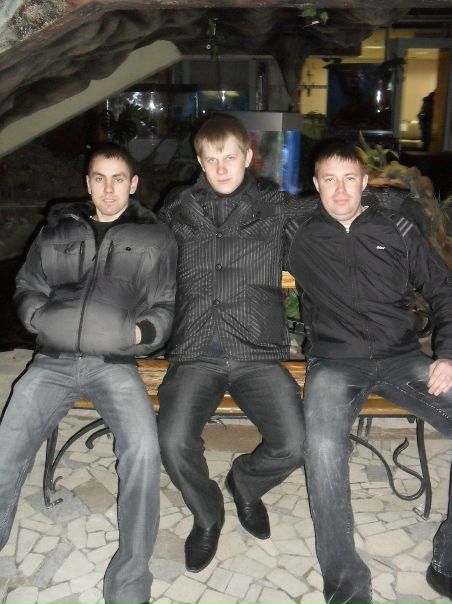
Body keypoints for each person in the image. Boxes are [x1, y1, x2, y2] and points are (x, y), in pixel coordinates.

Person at [0, 143, 177, 604]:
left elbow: (164, 303)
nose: (109, 189)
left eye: (118, 179)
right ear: (88, 183)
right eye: (99, 178)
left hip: (113, 365)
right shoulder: (58, 228)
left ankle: (129, 584)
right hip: (52, 362)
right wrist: (36, 317)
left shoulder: (156, 237)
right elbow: (28, 283)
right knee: (6, 446)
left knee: (143, 450)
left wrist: (142, 333)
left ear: (133, 184)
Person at [287, 138, 452, 604]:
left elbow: (443, 290)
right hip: (334, 363)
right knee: (321, 447)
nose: (340, 191)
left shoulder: (398, 226)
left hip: (401, 358)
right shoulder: (297, 232)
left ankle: (448, 559)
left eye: (349, 179)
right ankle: (345, 584)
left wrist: (447, 353)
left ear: (364, 182)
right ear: (316, 185)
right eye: (329, 180)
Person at [157, 114, 314, 573]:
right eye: (212, 159)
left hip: (255, 351)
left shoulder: (274, 207)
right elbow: (143, 246)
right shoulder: (178, 207)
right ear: (200, 162)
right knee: (172, 441)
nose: (222, 168)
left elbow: (331, 219)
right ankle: (208, 515)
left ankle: (244, 484)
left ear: (248, 157)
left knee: (295, 443)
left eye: (230, 157)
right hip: (196, 350)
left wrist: (384, 204)